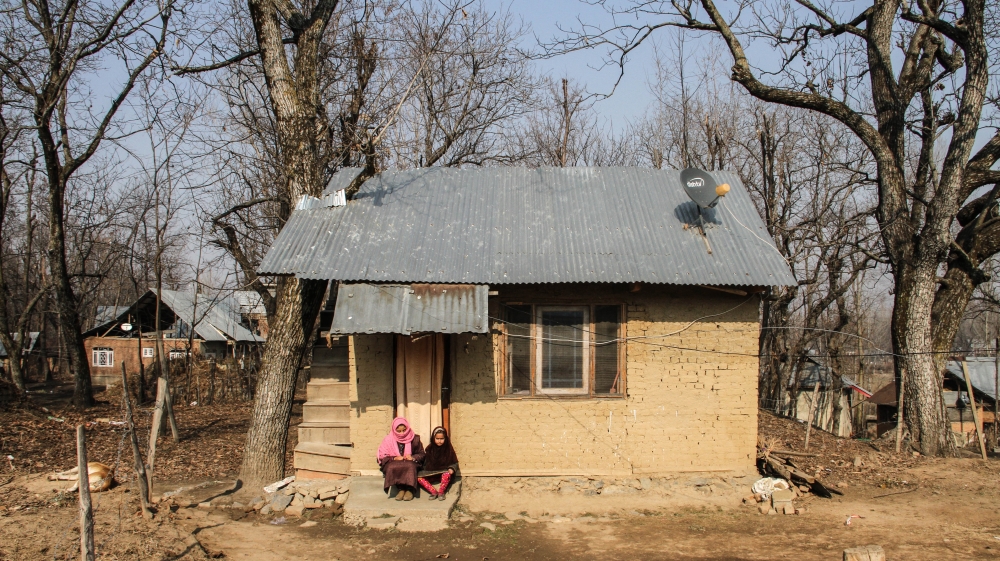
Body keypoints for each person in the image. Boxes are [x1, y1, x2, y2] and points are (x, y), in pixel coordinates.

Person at [377, 417, 424, 501]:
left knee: (410, 466)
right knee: (392, 466)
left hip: (411, 462)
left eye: (404, 430)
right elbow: (382, 456)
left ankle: (410, 490)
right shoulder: (388, 439)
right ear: (394, 430)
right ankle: (401, 489)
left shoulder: (415, 438)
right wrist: (394, 457)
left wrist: (413, 457)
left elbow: (421, 453)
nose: (402, 433)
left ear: (407, 428)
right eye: (399, 431)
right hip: (394, 461)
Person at [416, 426, 459, 500]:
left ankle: (441, 492)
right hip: (431, 473)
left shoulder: (448, 449)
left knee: (447, 474)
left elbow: (454, 462)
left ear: (445, 439)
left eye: (442, 439)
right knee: (419, 478)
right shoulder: (429, 449)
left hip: (443, 473)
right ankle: (433, 492)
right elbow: (425, 463)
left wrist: (451, 468)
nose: (439, 441)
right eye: (437, 439)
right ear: (433, 438)